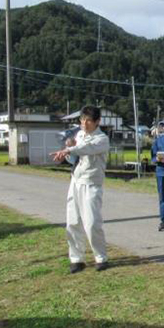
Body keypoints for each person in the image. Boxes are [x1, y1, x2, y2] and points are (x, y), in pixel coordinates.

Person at [50, 105, 110, 273]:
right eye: (82, 120)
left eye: (89, 120)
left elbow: (86, 149)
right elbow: (75, 158)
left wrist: (69, 148)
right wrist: (68, 153)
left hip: (91, 184)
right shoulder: (79, 134)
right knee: (73, 222)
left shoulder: (102, 139)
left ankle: (101, 257)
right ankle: (76, 259)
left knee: (91, 223)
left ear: (97, 121)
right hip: (75, 181)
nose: (84, 123)